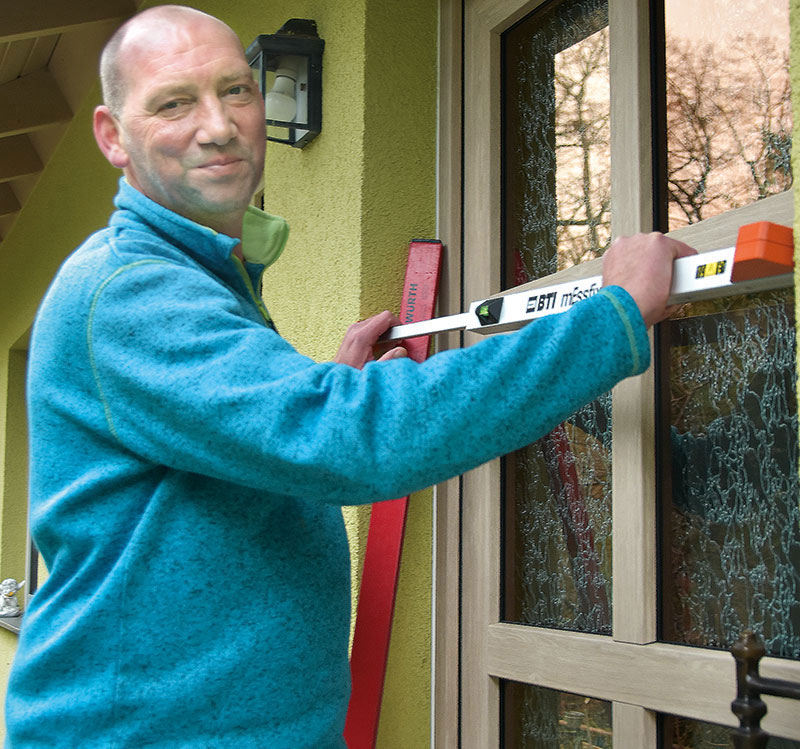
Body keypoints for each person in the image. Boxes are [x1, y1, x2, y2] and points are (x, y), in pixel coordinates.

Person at [4, 5, 695, 747]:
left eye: (236, 90)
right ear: (112, 135)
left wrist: (329, 385)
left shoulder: (199, 276)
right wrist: (611, 316)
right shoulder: (131, 290)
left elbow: (245, 453)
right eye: (175, 102)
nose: (218, 124)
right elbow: (351, 438)